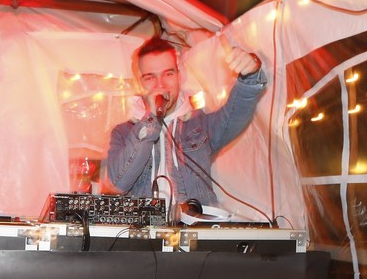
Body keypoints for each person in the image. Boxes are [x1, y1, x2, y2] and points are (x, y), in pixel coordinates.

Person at [105, 35, 267, 207]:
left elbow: (237, 111)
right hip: (146, 224)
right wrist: (151, 118)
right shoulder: (122, 133)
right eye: (150, 77)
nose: (161, 85)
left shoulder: (200, 125)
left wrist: (251, 75)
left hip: (194, 223)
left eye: (168, 74)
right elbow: (118, 184)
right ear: (139, 84)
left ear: (179, 76)